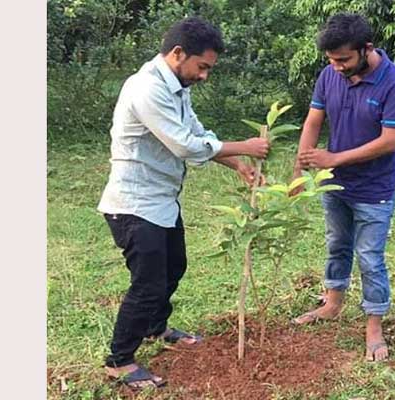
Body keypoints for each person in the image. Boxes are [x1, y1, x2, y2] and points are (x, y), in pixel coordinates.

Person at [97, 16, 270, 388]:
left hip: (160, 201)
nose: (205, 75)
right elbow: (184, 145)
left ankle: (156, 329)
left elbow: (197, 133)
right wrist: (246, 146)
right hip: (133, 204)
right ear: (178, 53)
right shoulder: (146, 88)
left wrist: (237, 163)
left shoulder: (176, 85)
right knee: (148, 283)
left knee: (174, 267)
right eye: (202, 66)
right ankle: (119, 359)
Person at [290, 13, 395, 362]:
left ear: (366, 49)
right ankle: (332, 304)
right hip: (335, 186)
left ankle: (374, 326)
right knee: (337, 244)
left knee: (370, 258)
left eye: (343, 59)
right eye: (331, 60)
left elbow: (390, 141)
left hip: (374, 188)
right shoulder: (329, 75)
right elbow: (313, 121)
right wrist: (299, 173)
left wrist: (335, 159)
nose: (337, 67)